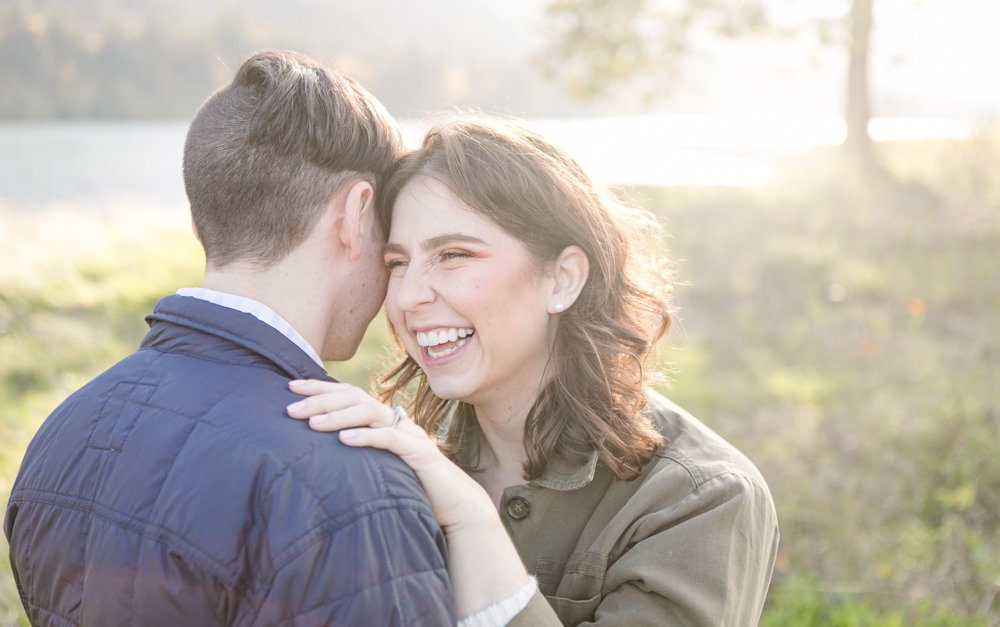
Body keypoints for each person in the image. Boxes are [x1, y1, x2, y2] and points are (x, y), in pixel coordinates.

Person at [4, 51, 456, 626]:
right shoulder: (353, 487)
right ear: (354, 214)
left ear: (201, 223)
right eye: (390, 236)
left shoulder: (63, 431)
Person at [286, 117, 780, 626]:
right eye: (397, 263)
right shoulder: (399, 467)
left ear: (562, 279)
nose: (409, 296)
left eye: (454, 255)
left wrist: (472, 521)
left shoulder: (699, 500)